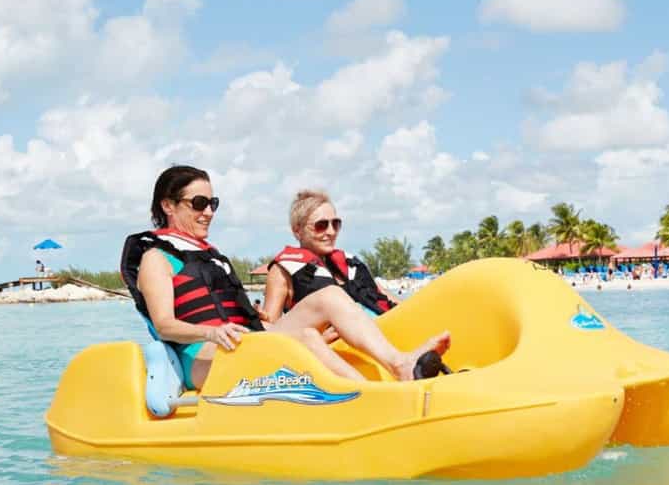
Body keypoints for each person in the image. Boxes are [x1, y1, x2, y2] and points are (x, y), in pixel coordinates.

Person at [121, 166, 450, 389]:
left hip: (246, 341)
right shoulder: (156, 259)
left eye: (213, 203)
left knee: (330, 297)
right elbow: (164, 325)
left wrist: (259, 319)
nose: (208, 211)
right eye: (199, 203)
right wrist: (211, 333)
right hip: (202, 357)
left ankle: (399, 365)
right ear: (168, 205)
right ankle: (369, 397)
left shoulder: (211, 256)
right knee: (307, 338)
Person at [261, 189, 393, 322]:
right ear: (297, 231)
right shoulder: (281, 272)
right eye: (321, 225)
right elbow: (272, 330)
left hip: (386, 328)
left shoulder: (350, 266)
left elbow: (390, 301)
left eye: (335, 224)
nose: (331, 232)